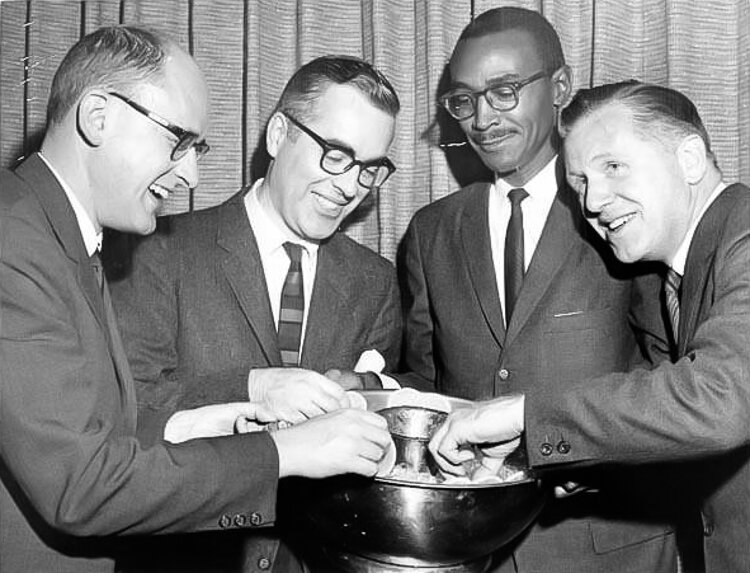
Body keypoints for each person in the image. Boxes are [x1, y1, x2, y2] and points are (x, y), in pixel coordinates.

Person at [0, 26, 392, 573]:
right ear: (97, 118)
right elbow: (80, 485)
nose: (191, 175)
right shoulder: (14, 239)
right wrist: (286, 452)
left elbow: (104, 426)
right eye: (177, 142)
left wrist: (218, 420)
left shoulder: (61, 236)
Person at [397, 7, 679, 572]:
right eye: (463, 100)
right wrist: (366, 390)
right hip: (473, 548)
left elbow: (674, 375)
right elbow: (428, 385)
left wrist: (591, 456)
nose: (481, 118)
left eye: (504, 91)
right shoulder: (430, 231)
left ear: (560, 87)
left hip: (609, 547)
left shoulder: (623, 213)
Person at [430, 79, 750, 572]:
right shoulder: (686, 269)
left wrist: (524, 413)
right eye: (579, 183)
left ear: (689, 159)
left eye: (613, 167)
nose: (593, 201)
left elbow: (723, 400)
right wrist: (598, 466)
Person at [109, 55, 402, 572]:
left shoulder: (375, 281)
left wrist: (368, 391)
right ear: (278, 134)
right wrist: (253, 386)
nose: (351, 186)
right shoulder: (159, 252)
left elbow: (395, 395)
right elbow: (128, 409)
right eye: (336, 154)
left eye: (370, 168)